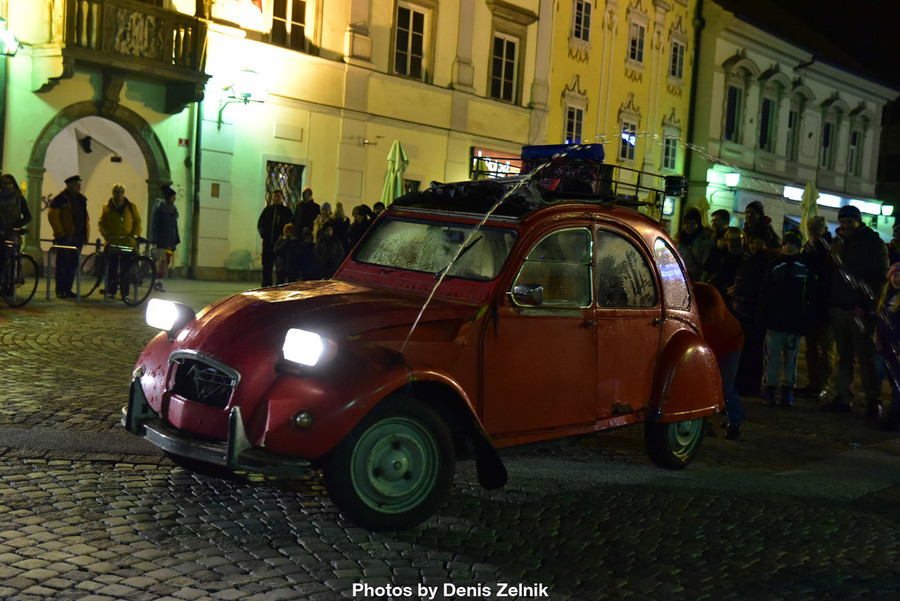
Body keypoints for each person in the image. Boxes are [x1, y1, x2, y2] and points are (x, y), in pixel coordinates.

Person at [826, 204, 889, 418]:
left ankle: (873, 400)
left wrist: (865, 303)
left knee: (865, 357)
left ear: (858, 221)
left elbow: (879, 276)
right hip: (839, 307)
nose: (845, 225)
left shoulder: (872, 242)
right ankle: (843, 396)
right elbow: (832, 272)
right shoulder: (838, 242)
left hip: (860, 310)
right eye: (842, 221)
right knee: (844, 356)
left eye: (849, 221)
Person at [757, 230, 810, 408]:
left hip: (793, 321)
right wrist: (763, 316)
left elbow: (810, 296)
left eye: (792, 244)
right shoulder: (775, 265)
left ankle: (787, 390)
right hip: (775, 320)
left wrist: (805, 319)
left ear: (799, 246)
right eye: (786, 243)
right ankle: (770, 389)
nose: (788, 247)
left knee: (790, 359)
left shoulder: (804, 267)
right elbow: (764, 293)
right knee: (772, 358)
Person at [694, 282, 745, 439]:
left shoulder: (707, 291)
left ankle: (734, 421)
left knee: (725, 386)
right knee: (701, 384)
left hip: (729, 342)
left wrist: (691, 317)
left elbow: (716, 315)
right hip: (706, 345)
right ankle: (703, 423)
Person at [797, 216, 834, 400]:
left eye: (815, 227)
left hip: (824, 305)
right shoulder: (810, 245)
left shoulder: (827, 247)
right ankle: (814, 383)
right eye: (810, 227)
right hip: (813, 304)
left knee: (825, 348)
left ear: (823, 228)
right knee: (812, 347)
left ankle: (821, 385)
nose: (812, 230)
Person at [730, 234, 770, 396]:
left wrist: (743, 296)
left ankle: (750, 385)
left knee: (753, 349)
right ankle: (747, 384)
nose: (754, 245)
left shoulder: (762, 262)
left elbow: (759, 288)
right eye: (752, 242)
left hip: (752, 310)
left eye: (758, 242)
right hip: (746, 308)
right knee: (748, 349)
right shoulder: (749, 260)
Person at [47, 175, 90, 299]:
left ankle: (68, 289)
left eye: (79, 184)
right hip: (65, 237)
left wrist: (85, 233)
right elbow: (53, 217)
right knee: (62, 264)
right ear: (69, 185)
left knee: (73, 264)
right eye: (76, 184)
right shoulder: (60, 199)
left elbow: (84, 217)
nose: (79, 187)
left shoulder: (81, 199)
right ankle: (60, 290)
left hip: (78, 237)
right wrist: (60, 233)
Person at [98, 184, 142, 298]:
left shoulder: (131, 206)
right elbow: (102, 223)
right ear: (113, 193)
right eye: (117, 192)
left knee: (125, 269)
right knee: (111, 267)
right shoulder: (107, 207)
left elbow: (137, 222)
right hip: (113, 242)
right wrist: (107, 236)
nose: (119, 194)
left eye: (121, 192)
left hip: (127, 242)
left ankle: (124, 292)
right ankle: (111, 290)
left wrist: (134, 235)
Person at [875, 263, 900, 430]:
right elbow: (882, 322)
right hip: (887, 347)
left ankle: (895, 418)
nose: (898, 279)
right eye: (895, 275)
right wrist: (879, 339)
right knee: (892, 381)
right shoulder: (888, 296)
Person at [257, 189, 293, 287]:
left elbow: (290, 226)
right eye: (274, 196)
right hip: (268, 244)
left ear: (282, 198)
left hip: (281, 245)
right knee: (267, 268)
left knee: (281, 270)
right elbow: (260, 224)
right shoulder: (267, 210)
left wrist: (285, 237)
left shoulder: (286, 212)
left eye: (278, 196)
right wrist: (263, 234)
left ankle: (279, 289)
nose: (276, 198)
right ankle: (266, 288)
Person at [0, 173, 31, 281]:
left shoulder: (19, 199)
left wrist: (17, 226)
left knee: (12, 259)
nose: (6, 185)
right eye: (4, 183)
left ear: (13, 184)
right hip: (2, 231)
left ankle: (11, 284)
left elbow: (28, 216)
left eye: (8, 183)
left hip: (13, 233)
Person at [703, 226, 743, 301]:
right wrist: (717, 250)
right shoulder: (721, 254)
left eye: (738, 239)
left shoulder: (745, 257)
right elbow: (708, 268)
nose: (734, 243)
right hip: (719, 293)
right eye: (731, 239)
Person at [152, 184, 180, 292]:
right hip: (161, 240)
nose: (174, 199)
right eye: (173, 197)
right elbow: (154, 224)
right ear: (168, 197)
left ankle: (160, 281)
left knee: (166, 262)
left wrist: (176, 238)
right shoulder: (160, 207)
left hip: (170, 241)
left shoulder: (173, 210)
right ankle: (156, 282)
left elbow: (174, 226)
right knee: (160, 262)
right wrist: (154, 239)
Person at [675, 206, 714, 282]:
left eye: (692, 223)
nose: (688, 226)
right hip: (681, 279)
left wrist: (701, 282)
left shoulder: (704, 242)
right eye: (686, 223)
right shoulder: (680, 240)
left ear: (698, 224)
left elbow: (706, 266)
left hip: (696, 280)